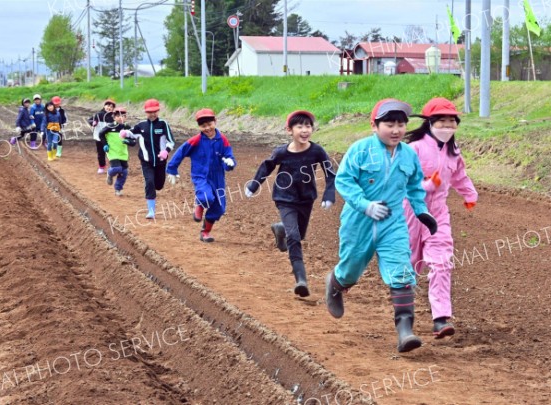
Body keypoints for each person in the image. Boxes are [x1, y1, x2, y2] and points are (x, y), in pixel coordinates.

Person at [325, 98, 438, 353]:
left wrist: (422, 212)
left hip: (393, 222)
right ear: (374, 126)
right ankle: (336, 283)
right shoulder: (360, 149)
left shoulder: (409, 154)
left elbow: (414, 186)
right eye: (389, 124)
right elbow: (344, 180)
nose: (396, 130)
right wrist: (365, 205)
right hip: (358, 220)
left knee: (401, 272)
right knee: (351, 268)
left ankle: (405, 331)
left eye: (400, 124)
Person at [403, 97, 478, 339]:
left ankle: (441, 318)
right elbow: (402, 181)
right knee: (410, 263)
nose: (447, 126)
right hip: (412, 212)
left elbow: (460, 177)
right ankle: (404, 317)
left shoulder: (453, 152)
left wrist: (470, 194)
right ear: (429, 123)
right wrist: (426, 185)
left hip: (439, 215)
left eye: (451, 122)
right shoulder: (413, 149)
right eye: (441, 121)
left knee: (442, 262)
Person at [245, 110, 336, 297]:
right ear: (289, 130)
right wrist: (254, 185)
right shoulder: (281, 152)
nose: (305, 130)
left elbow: (330, 173)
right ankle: (301, 279)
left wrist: (329, 194)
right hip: (284, 199)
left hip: (306, 199)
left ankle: (280, 229)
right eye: (300, 126)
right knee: (294, 237)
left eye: (308, 126)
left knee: (299, 235)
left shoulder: (317, 151)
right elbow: (266, 167)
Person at [166, 108, 236, 242]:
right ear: (199, 127)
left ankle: (205, 232)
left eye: (209, 124)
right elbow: (180, 152)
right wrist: (172, 169)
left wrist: (230, 162)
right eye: (203, 126)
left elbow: (229, 156)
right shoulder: (196, 140)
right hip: (201, 176)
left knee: (220, 208)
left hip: (218, 179)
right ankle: (199, 203)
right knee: (206, 197)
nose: (207, 128)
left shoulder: (223, 140)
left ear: (215, 122)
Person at [129, 99, 175, 218]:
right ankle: (151, 211)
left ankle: (154, 189)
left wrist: (166, 151)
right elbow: (131, 134)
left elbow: (171, 141)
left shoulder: (163, 124)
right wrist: (124, 134)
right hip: (146, 161)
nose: (152, 114)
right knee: (149, 182)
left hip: (160, 161)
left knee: (158, 185)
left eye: (154, 111)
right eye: (150, 112)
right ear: (146, 112)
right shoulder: (141, 125)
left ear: (158, 111)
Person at [99, 106, 135, 197]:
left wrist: (128, 141)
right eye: (118, 115)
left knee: (124, 172)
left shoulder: (127, 128)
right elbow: (101, 134)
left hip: (123, 153)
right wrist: (105, 144)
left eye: (123, 116)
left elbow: (133, 141)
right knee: (116, 168)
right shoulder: (109, 127)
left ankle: (118, 188)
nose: (120, 117)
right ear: (114, 117)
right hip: (112, 151)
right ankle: (109, 173)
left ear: (125, 117)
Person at [88, 99, 116, 174]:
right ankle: (101, 166)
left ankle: (114, 166)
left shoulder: (113, 116)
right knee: (101, 153)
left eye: (111, 107)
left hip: (110, 137)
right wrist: (93, 122)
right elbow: (90, 120)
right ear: (104, 106)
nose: (109, 108)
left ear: (113, 109)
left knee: (112, 152)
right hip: (99, 137)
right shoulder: (98, 114)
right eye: (108, 105)